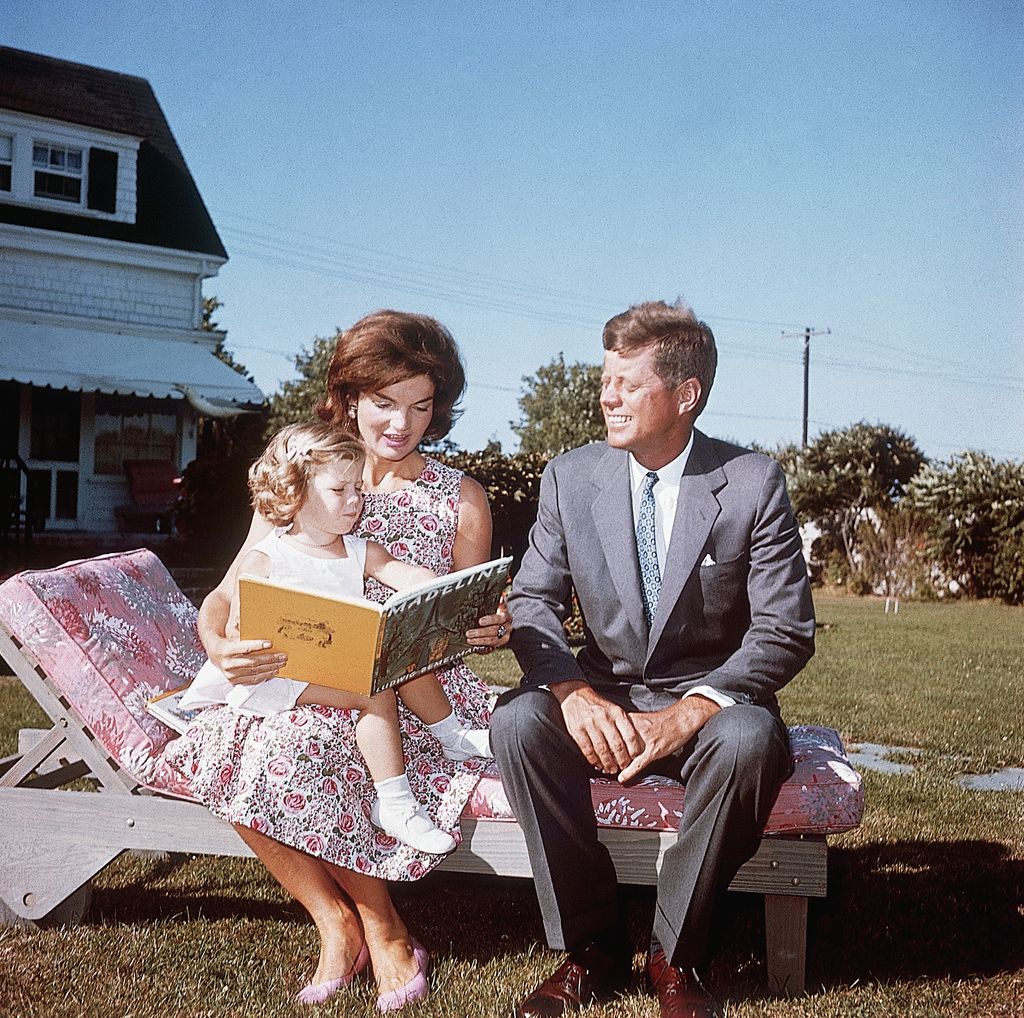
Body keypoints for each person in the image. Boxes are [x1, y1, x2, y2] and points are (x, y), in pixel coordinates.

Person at [163, 310, 510, 1011]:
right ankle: (336, 919)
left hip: (420, 693)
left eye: (421, 406)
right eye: (384, 403)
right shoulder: (306, 477)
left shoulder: (461, 499)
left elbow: (468, 608)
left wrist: (489, 625)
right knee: (232, 735)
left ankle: (383, 928)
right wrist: (221, 648)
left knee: (304, 740)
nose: (401, 424)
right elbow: (226, 597)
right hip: (310, 678)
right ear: (349, 397)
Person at [491, 300, 815, 1018]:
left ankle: (675, 957)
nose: (606, 397)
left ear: (685, 394)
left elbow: (786, 630)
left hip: (710, 706)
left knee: (750, 738)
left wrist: (695, 708)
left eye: (626, 384)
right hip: (604, 696)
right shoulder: (569, 478)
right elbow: (534, 603)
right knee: (517, 722)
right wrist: (572, 691)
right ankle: (590, 948)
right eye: (605, 379)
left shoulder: (752, 482)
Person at [178, 420, 493, 855]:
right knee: (375, 691)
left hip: (331, 666)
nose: (354, 502)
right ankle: (396, 804)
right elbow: (239, 626)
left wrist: (456, 592)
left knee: (397, 660)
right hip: (278, 676)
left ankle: (452, 735)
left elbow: (408, 576)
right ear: (296, 492)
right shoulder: (267, 557)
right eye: (339, 491)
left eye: (357, 490)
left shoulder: (359, 549)